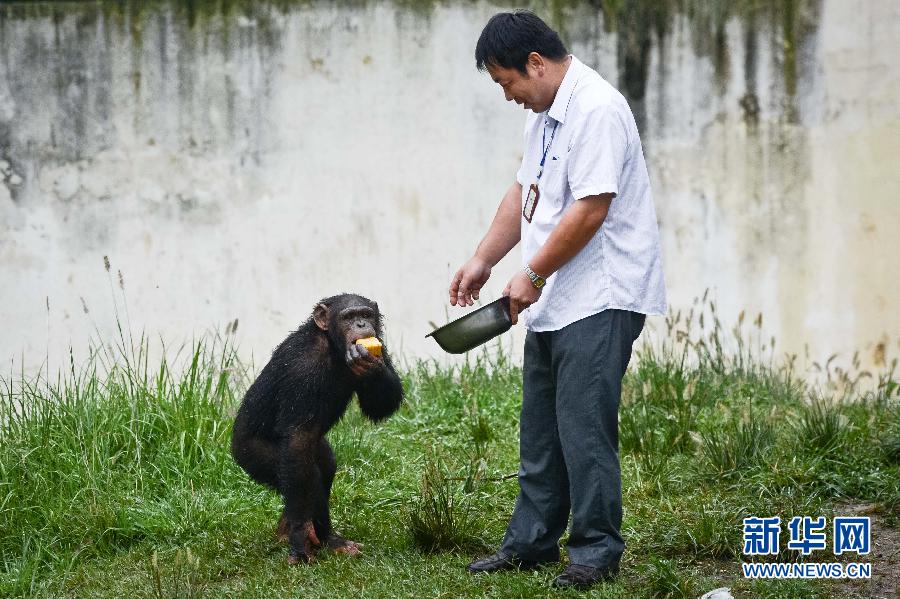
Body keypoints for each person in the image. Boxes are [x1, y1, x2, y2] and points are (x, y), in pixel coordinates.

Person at [449, 10, 667, 590]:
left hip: (600, 294)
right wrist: (484, 260)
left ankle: (595, 552)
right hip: (555, 297)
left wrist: (533, 274)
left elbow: (592, 208)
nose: (508, 96)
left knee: (582, 426)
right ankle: (532, 542)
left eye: (507, 82)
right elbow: (527, 188)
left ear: (536, 64)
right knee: (541, 427)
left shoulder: (597, 108)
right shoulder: (546, 116)